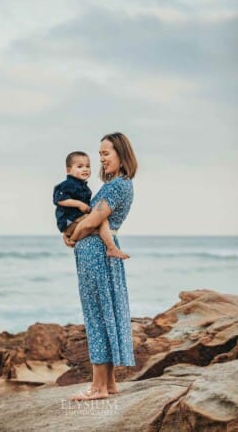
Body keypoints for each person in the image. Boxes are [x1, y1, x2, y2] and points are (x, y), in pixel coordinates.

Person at [63, 132, 138, 401]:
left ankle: (98, 387)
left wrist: (72, 234)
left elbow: (92, 221)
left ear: (121, 153)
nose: (101, 159)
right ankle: (110, 383)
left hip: (97, 256)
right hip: (97, 255)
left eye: (106, 153)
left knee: (97, 315)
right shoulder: (119, 184)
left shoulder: (118, 186)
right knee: (105, 313)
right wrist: (73, 233)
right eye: (100, 154)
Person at [53, 151, 129, 259]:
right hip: (69, 221)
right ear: (69, 170)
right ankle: (111, 247)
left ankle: (110, 246)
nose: (85, 169)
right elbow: (59, 199)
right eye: (80, 166)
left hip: (76, 221)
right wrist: (79, 204)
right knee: (101, 220)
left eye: (87, 166)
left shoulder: (85, 188)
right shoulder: (67, 185)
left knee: (100, 221)